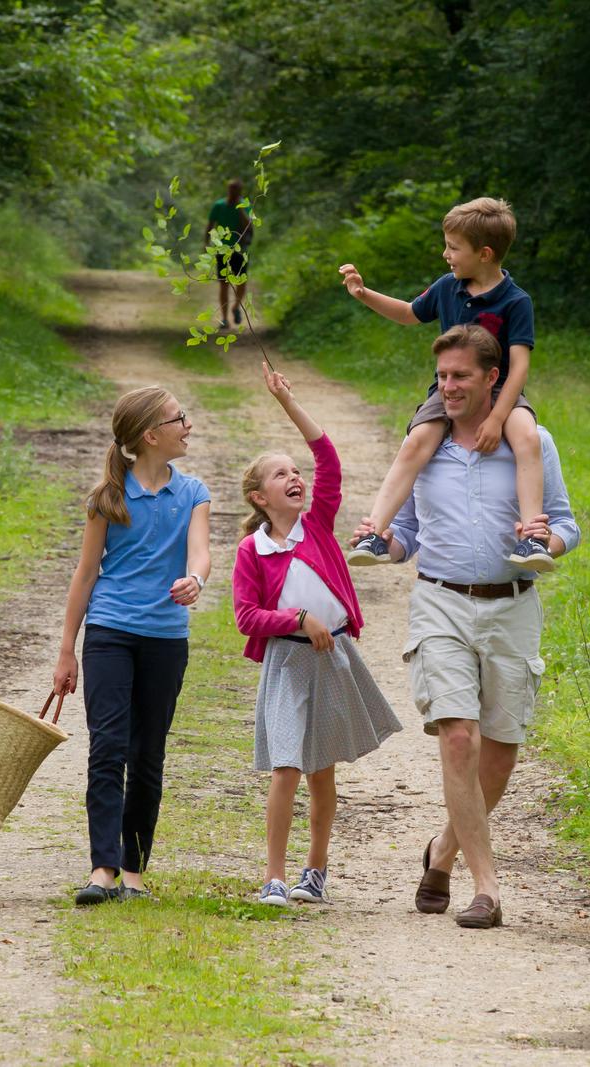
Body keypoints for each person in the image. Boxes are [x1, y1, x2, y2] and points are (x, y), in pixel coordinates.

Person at [350, 324, 580, 929]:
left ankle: (442, 853)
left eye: (461, 377)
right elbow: (408, 538)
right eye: (442, 377)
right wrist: (384, 542)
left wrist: (547, 540)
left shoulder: (533, 443)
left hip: (513, 604)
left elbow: (567, 525)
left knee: (499, 755)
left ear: (492, 380)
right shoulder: (426, 446)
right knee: (458, 738)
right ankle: (488, 888)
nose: (448, 388)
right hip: (441, 602)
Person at [232, 362, 401, 906]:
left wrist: (287, 400)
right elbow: (246, 616)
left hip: (333, 659)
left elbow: (327, 458)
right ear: (260, 497)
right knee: (286, 766)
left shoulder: (320, 524)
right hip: (288, 662)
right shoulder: (252, 550)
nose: (295, 477)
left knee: (321, 771)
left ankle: (316, 871)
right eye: (280, 475)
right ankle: (275, 877)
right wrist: (297, 621)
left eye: (294, 471)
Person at [53, 387, 211, 905]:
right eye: (178, 418)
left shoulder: (193, 493)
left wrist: (195, 581)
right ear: (151, 435)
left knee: (147, 754)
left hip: (166, 639)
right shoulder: (107, 499)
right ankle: (102, 869)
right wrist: (66, 649)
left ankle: (134, 871)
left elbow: (201, 555)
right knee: (108, 747)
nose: (187, 425)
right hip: (110, 634)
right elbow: (84, 575)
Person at [340, 196, 555, 573]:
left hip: (500, 389)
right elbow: (409, 313)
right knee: (416, 443)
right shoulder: (447, 287)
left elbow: (519, 366)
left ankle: (532, 537)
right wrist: (364, 294)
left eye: (454, 248)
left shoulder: (516, 301)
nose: (446, 254)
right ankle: (375, 532)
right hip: (450, 390)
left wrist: (497, 417)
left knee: (528, 438)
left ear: (485, 253)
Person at [205, 177, 254, 328]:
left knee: (242, 282)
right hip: (222, 249)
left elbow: (249, 226)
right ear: (228, 190)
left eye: (236, 191)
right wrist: (205, 242)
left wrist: (240, 210)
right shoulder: (218, 206)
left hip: (240, 249)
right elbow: (210, 224)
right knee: (224, 284)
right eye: (231, 190)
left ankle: (236, 307)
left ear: (240, 191)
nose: (233, 193)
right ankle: (224, 319)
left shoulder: (245, 205)